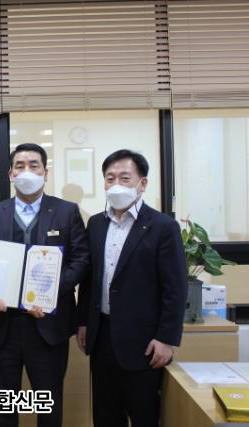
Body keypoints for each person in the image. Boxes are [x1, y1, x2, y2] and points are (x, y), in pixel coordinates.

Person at [0, 143, 88, 427]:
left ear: (45, 173)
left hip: (48, 326)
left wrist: (51, 294)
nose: (27, 171)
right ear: (10, 173)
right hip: (4, 325)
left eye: (34, 165)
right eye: (20, 166)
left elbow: (81, 259)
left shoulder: (66, 211)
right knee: (2, 404)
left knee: (48, 405)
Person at [75, 149, 187, 427]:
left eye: (125, 178)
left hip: (144, 343)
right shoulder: (96, 224)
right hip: (101, 337)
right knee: (105, 416)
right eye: (110, 178)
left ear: (142, 183)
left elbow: (175, 288)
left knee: (144, 416)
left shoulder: (163, 226)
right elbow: (90, 279)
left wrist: (166, 338)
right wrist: (83, 322)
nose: (116, 184)